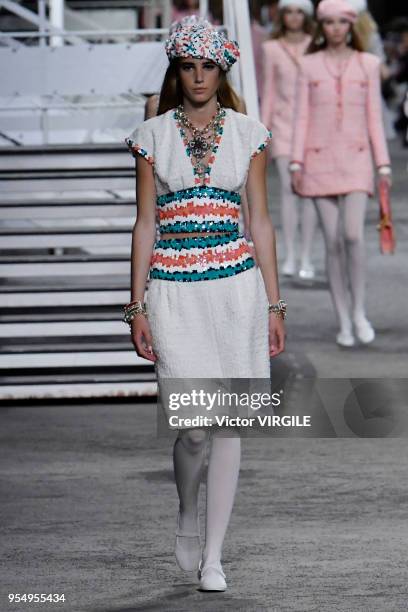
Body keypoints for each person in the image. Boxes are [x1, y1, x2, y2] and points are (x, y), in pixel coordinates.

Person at [124, 16, 286, 592]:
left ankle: (214, 555)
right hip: (173, 291)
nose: (198, 77)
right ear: (176, 69)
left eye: (208, 66)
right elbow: (144, 223)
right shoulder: (151, 137)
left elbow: (260, 221)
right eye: (188, 66)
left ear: (223, 69)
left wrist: (274, 304)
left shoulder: (251, 133)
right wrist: (135, 305)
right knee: (193, 428)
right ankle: (186, 511)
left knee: (231, 423)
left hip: (237, 288)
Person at [290, 0, 392, 347]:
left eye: (341, 22)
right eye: (329, 22)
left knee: (353, 236)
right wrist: (296, 161)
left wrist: (383, 163)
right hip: (318, 159)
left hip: (357, 158)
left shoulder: (368, 64)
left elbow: (374, 117)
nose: (335, 29)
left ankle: (360, 310)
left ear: (351, 25)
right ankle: (344, 319)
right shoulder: (309, 65)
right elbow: (301, 116)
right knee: (332, 242)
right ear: (322, 26)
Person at [261, 0, 318, 279]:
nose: (294, 17)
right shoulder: (271, 49)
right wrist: (264, 130)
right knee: (287, 189)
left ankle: (307, 255)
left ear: (305, 15)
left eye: (299, 11)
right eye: (289, 11)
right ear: (282, 15)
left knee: (308, 192)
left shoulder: (315, 44)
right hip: (284, 125)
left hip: (314, 127)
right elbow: (269, 90)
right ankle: (291, 254)